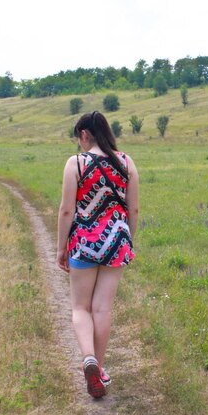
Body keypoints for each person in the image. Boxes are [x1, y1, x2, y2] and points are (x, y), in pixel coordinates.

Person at [56, 111, 139, 399]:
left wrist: (60, 248)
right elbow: (133, 210)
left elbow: (67, 210)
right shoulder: (127, 163)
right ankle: (99, 368)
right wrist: (128, 240)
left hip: (84, 242)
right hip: (116, 241)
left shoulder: (76, 163)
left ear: (84, 134)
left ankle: (89, 358)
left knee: (81, 308)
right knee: (103, 308)